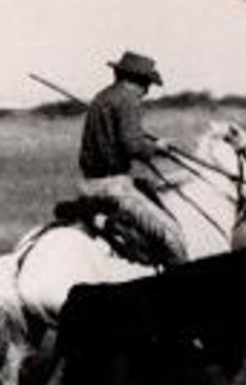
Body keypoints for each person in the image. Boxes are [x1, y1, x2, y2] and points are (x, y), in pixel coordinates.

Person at [77, 50, 188, 265]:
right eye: (146, 83)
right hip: (114, 186)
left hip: (87, 184)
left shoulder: (102, 97)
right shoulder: (129, 100)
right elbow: (133, 145)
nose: (146, 90)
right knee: (174, 238)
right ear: (135, 79)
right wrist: (158, 147)